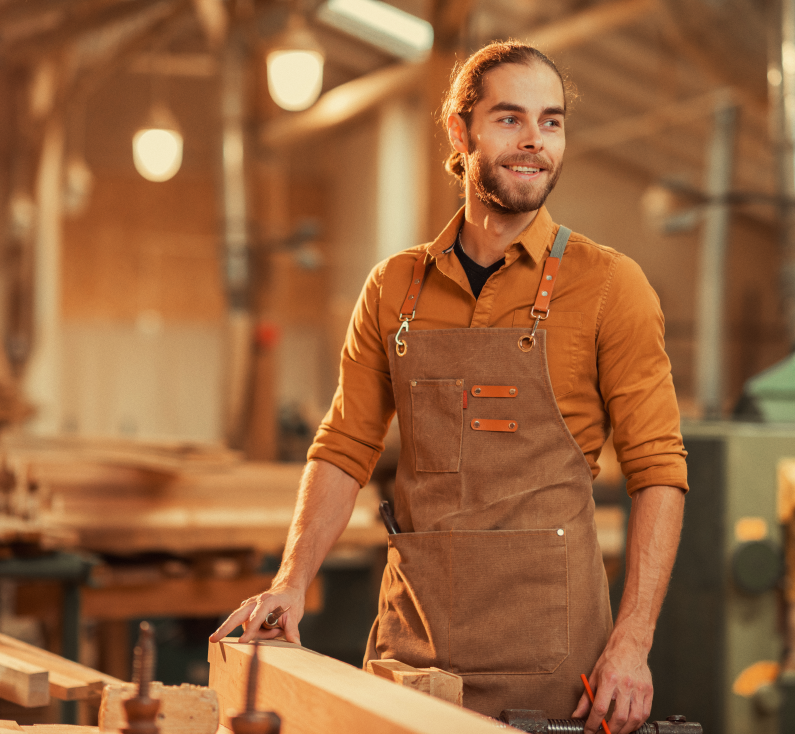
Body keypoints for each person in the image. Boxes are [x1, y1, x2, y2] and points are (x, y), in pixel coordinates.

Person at [211, 41, 688, 734]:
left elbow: (659, 472)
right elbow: (345, 445)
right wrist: (291, 579)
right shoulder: (394, 288)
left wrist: (633, 643)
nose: (534, 142)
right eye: (510, 119)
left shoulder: (612, 287)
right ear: (459, 133)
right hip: (412, 653)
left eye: (551, 122)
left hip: (554, 666)